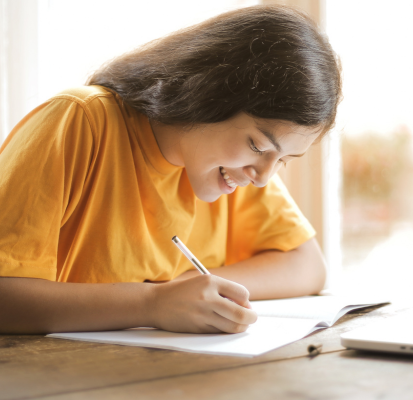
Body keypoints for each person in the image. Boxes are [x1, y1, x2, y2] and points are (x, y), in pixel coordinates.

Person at [0, 5, 342, 335]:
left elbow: (308, 266)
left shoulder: (236, 169)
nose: (264, 176)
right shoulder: (79, 121)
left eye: (282, 160)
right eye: (258, 146)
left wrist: (187, 291)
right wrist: (152, 303)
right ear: (207, 94)